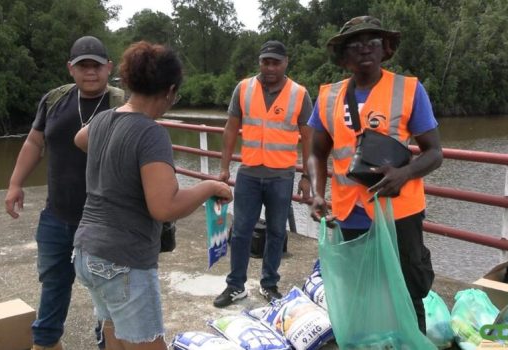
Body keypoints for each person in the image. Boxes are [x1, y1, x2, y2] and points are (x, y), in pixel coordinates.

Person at [72, 40, 233, 350]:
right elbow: (164, 207)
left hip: (87, 251)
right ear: (170, 91)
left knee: (113, 332)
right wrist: (210, 187)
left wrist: (117, 163)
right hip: (124, 260)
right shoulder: (151, 132)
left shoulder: (104, 119)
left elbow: (80, 139)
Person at [307, 15, 443, 333]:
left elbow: (435, 152)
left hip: (399, 214)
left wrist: (404, 173)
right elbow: (316, 153)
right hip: (350, 213)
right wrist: (316, 191)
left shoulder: (409, 90)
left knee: (409, 291)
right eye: (355, 43)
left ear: (386, 49)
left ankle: (411, 340)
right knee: (360, 293)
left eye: (373, 41)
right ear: (343, 55)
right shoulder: (327, 97)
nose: (365, 48)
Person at [4, 36, 124, 350]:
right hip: (57, 216)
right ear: (70, 68)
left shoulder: (122, 104)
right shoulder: (54, 100)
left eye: (97, 66)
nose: (90, 72)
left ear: (108, 68)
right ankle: (45, 344)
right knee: (53, 285)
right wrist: (16, 183)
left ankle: (107, 345)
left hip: (105, 221)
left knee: (108, 293)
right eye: (83, 66)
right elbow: (34, 142)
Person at [213, 40, 313, 307]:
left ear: (286, 62)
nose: (269, 67)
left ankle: (269, 285)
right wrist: (223, 169)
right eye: (265, 62)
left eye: (275, 62)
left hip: (282, 175)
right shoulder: (243, 88)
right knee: (241, 231)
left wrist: (307, 176)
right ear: (259, 62)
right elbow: (231, 129)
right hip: (248, 174)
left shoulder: (299, 94)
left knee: (277, 232)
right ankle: (236, 286)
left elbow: (309, 139)